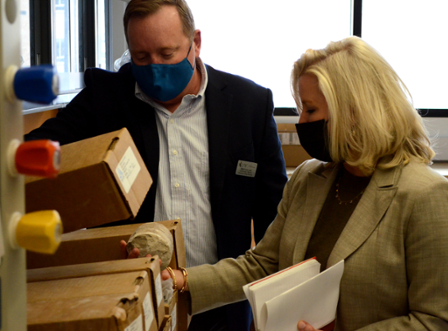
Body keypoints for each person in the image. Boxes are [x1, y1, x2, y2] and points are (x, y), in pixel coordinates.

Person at [163, 36, 448, 331]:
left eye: (310, 110)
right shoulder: (310, 179)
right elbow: (263, 264)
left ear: (354, 110)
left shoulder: (427, 196)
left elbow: (436, 321)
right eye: (300, 111)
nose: (301, 123)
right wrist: (181, 280)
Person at [24, 0, 287, 330]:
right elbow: (37, 149)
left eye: (167, 54)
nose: (155, 67)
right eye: (142, 58)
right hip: (132, 301)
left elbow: (273, 219)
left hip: (221, 302)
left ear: (196, 43)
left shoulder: (249, 104)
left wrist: (274, 305)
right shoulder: (106, 98)